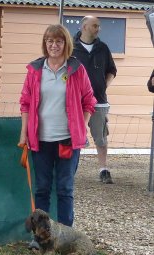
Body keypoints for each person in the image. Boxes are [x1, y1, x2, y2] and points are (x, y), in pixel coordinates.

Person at [19, 24, 96, 228]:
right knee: (42, 189)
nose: (54, 45)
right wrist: (23, 134)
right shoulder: (35, 70)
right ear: (45, 44)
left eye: (59, 41)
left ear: (66, 44)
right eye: (50, 41)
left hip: (68, 141)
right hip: (41, 140)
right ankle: (42, 236)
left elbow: (90, 101)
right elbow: (25, 103)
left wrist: (82, 126)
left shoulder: (76, 69)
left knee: (65, 189)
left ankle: (66, 235)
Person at [72, 16, 117, 184]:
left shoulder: (103, 48)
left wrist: (105, 84)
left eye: (98, 26)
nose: (99, 29)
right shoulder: (71, 48)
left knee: (101, 136)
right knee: (72, 135)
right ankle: (70, 169)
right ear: (84, 26)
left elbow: (112, 69)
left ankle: (103, 169)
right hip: (75, 102)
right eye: (95, 26)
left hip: (99, 100)